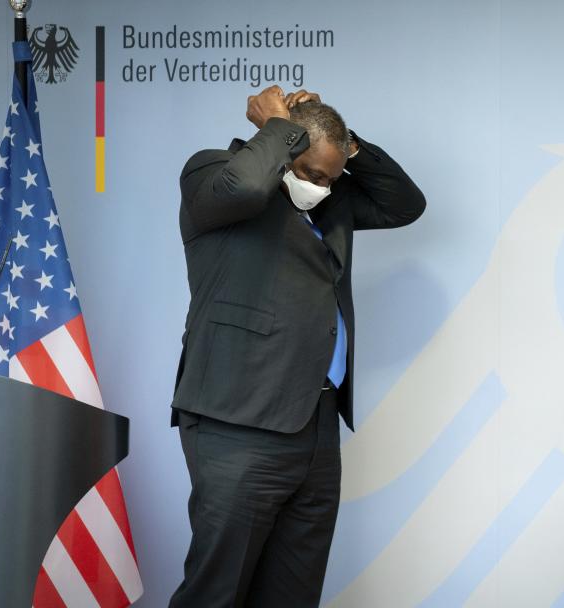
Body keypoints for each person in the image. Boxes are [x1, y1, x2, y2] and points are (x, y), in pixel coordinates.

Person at [168, 85, 425, 607]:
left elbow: (405, 204)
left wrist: (344, 144)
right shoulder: (212, 173)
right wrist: (278, 129)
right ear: (283, 149)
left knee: (293, 591)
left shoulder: (330, 200)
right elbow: (243, 188)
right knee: (216, 592)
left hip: (315, 423)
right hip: (237, 420)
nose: (318, 187)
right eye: (308, 173)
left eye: (328, 178)